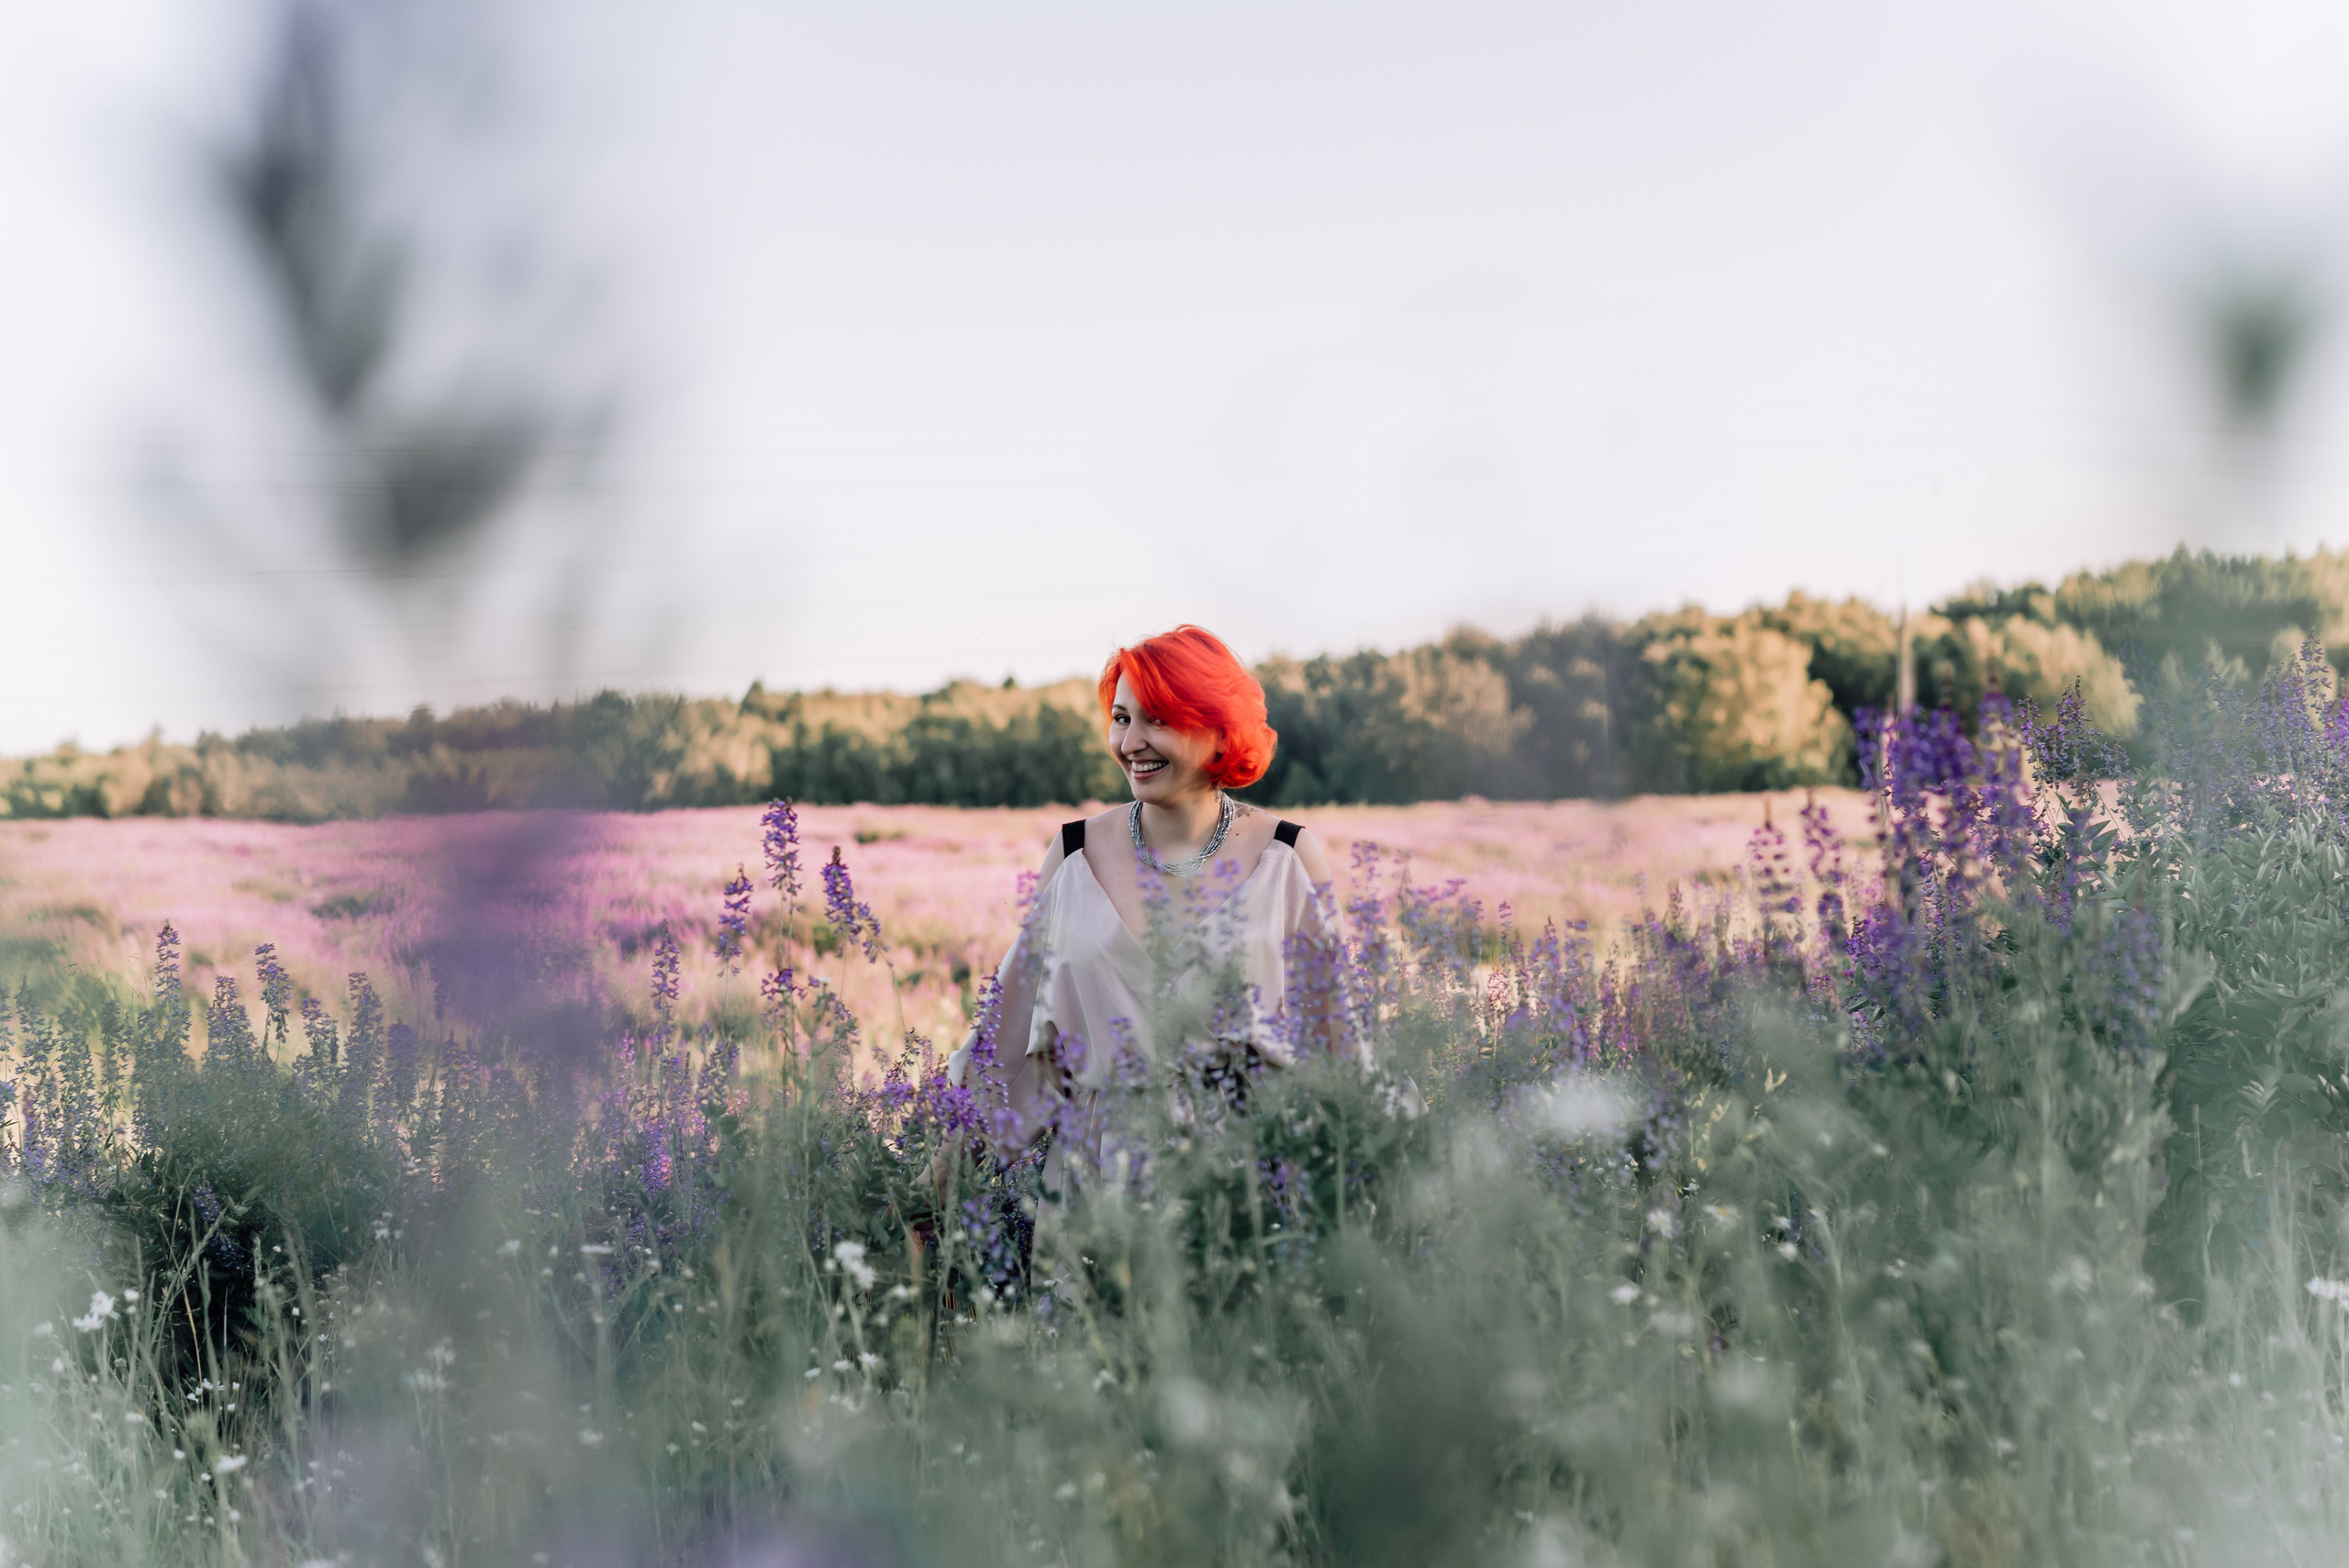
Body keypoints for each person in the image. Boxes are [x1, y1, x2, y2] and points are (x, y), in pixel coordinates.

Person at [940, 625, 1346, 1196]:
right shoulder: (1075, 851)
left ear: (1218, 729)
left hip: (1248, 1191)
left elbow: (1337, 1043)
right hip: (1096, 1190)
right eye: (1123, 718)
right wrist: (937, 1183)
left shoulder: (1289, 856)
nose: (1131, 742)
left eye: (1159, 719)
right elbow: (1013, 1033)